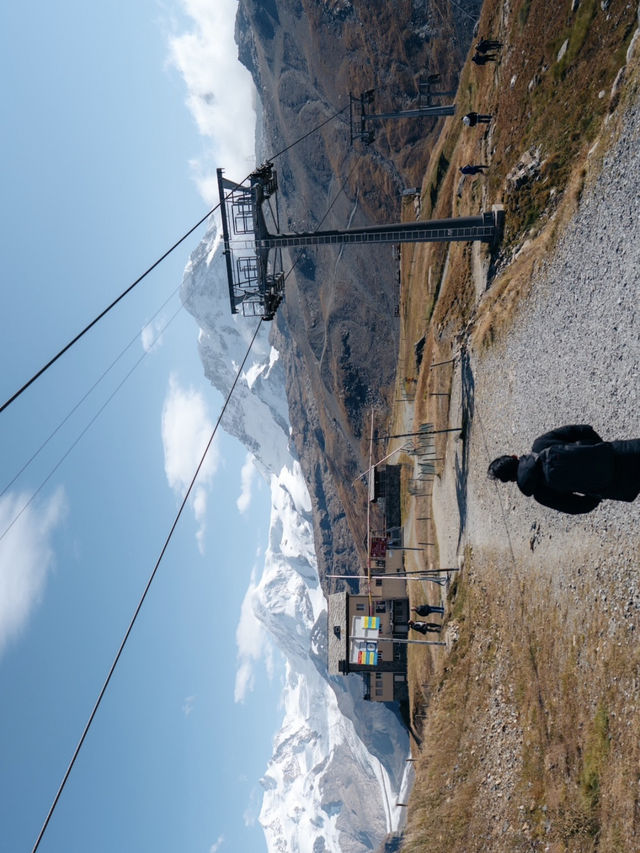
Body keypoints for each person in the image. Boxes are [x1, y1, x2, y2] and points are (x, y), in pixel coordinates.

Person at [488, 425, 640, 514]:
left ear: (512, 480)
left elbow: (576, 507)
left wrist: (596, 493)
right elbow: (582, 430)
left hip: (616, 487)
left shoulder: (540, 494)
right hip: (620, 453)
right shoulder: (540, 445)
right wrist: (596, 449)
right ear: (514, 457)